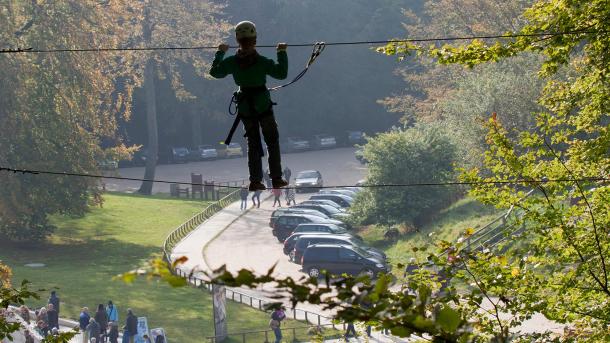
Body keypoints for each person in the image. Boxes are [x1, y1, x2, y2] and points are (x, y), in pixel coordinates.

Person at [210, 20, 289, 192]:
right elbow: (282, 74)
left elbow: (215, 72)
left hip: (246, 107)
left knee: (253, 144)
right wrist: (281, 52)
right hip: (263, 105)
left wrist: (220, 53)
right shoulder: (262, 62)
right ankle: (276, 178)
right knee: (272, 141)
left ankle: (255, 181)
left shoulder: (231, 62)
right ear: (255, 40)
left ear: (238, 40)